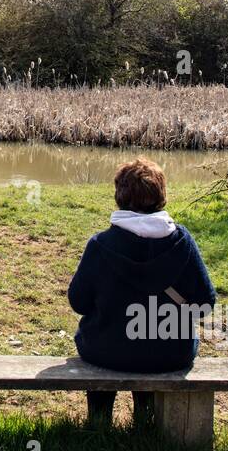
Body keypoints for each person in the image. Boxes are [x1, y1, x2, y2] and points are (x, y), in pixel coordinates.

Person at [67, 157, 216, 427]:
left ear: (119, 196)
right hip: (170, 352)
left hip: (105, 349)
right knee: (150, 349)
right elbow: (205, 303)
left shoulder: (101, 245)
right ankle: (146, 422)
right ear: (161, 196)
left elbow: (78, 301)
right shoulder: (182, 243)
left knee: (113, 344)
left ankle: (99, 424)